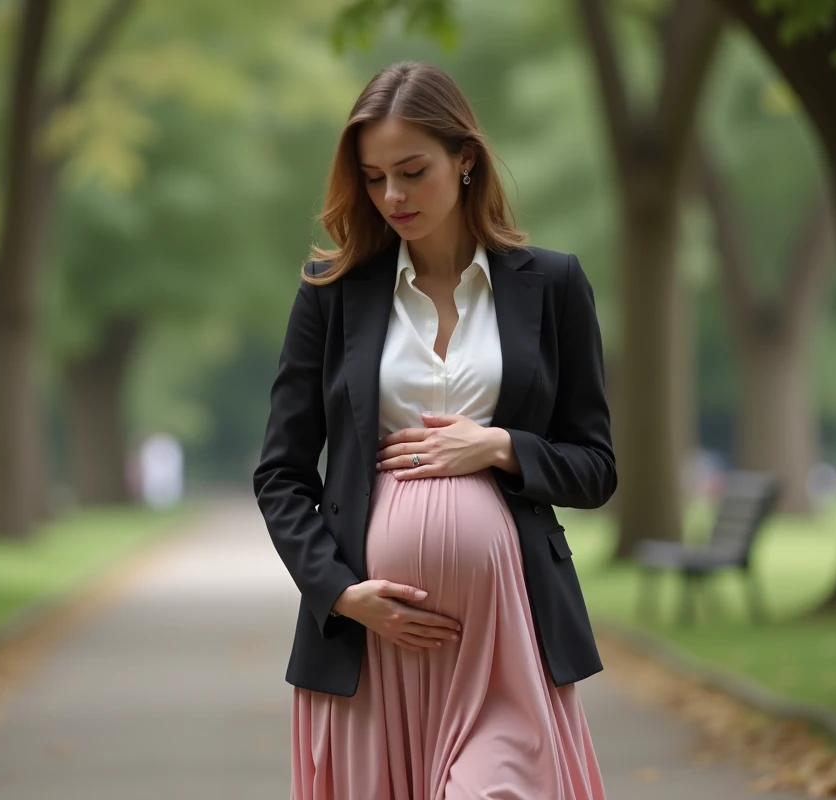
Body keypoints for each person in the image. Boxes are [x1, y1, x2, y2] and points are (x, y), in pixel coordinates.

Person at [253, 60, 617, 800]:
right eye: (374, 176)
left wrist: (502, 446)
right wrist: (340, 592)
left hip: (503, 644)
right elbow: (281, 472)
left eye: (412, 171)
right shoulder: (332, 295)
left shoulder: (552, 286)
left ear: (466, 158)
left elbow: (597, 466)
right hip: (368, 645)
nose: (392, 196)